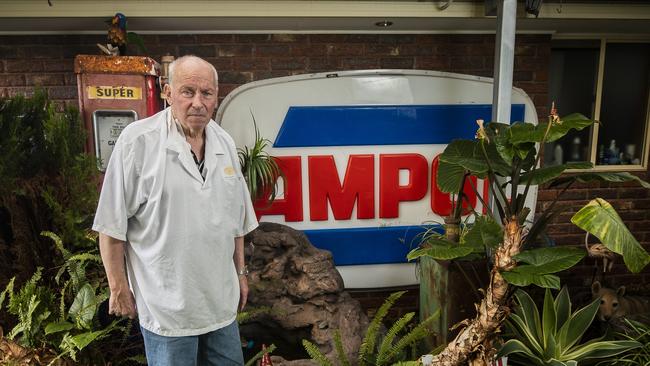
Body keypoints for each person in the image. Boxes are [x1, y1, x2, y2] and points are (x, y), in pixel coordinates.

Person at [93, 55, 258, 365]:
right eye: (188, 91)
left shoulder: (224, 143)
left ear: (216, 97)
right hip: (166, 307)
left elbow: (235, 222)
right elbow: (111, 226)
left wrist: (241, 273)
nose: (198, 102)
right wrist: (118, 288)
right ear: (167, 93)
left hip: (220, 304)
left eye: (206, 93)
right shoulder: (137, 142)